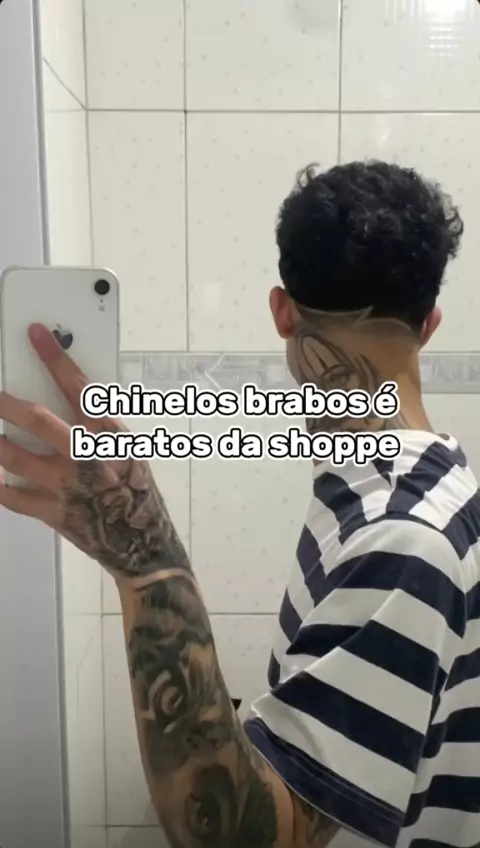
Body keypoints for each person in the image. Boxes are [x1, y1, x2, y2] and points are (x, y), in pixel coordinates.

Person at [0, 159, 478, 848]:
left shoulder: (402, 538)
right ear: (429, 324)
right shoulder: (415, 487)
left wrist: (145, 558)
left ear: (281, 310)